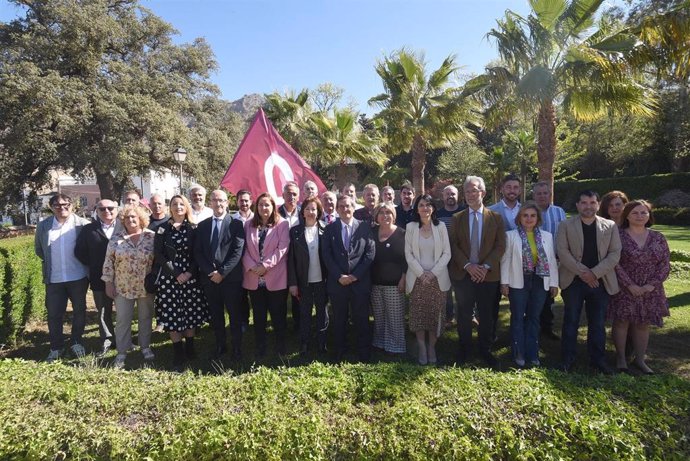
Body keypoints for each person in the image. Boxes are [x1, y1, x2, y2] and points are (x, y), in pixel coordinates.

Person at [557, 190, 621, 374]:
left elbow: (615, 253)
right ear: (577, 205)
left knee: (597, 323)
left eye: (592, 202)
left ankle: (597, 360)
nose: (588, 206)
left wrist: (594, 273)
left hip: (600, 282)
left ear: (598, 205)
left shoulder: (609, 226)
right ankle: (567, 359)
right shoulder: (566, 225)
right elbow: (563, 252)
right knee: (571, 321)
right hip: (574, 282)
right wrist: (585, 273)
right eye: (584, 203)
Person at [448, 176, 506, 367]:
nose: (470, 194)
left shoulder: (496, 218)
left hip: (488, 276)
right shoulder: (457, 218)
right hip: (464, 275)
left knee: (487, 315)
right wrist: (468, 266)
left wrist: (485, 267)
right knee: (464, 314)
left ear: (483, 192)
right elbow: (454, 245)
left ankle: (485, 350)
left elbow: (500, 246)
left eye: (474, 190)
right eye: (467, 191)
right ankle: (464, 349)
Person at [608, 200, 670, 375]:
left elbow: (665, 264)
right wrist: (630, 285)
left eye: (644, 213)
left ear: (649, 215)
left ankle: (640, 359)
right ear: (627, 215)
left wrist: (651, 285)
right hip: (625, 287)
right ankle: (621, 358)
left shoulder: (658, 237)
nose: (640, 216)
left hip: (651, 289)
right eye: (635, 213)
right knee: (621, 321)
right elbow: (614, 263)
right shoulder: (618, 236)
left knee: (643, 323)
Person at [154, 195, 209, 371]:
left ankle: (190, 346)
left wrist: (189, 272)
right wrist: (176, 273)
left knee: (190, 312)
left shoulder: (194, 228)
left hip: (190, 276)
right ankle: (178, 351)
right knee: (172, 314)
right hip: (170, 277)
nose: (178, 207)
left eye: (181, 204)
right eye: (174, 204)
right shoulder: (163, 229)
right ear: (170, 208)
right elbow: (159, 254)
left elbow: (198, 253)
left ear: (186, 207)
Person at [500, 202, 559, 368]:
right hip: (518, 281)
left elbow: (552, 261)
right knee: (518, 317)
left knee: (534, 318)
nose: (529, 219)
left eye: (533, 215)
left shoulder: (547, 236)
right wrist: (504, 282)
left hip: (540, 280)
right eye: (525, 215)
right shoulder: (510, 235)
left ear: (538, 218)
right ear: (520, 218)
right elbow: (505, 260)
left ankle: (532, 353)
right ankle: (518, 351)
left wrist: (554, 282)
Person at [35, 193, 90, 362]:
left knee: (79, 311)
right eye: (57, 205)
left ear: (72, 205)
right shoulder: (44, 226)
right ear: (52, 207)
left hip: (78, 277)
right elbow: (39, 250)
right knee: (54, 314)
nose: (62, 208)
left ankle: (76, 342)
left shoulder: (83, 224)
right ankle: (56, 347)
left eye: (66, 204)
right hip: (54, 279)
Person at [102, 204, 156, 369]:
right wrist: (108, 283)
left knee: (145, 317)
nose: (131, 220)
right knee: (123, 320)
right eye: (127, 218)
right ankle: (122, 351)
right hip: (122, 286)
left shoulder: (151, 237)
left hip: (145, 286)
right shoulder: (116, 239)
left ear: (141, 219)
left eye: (134, 217)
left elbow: (158, 260)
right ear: (122, 221)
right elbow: (108, 263)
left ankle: (145, 346)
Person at [322, 195, 375, 362]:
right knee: (339, 318)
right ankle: (339, 350)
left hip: (359, 282)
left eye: (348, 206)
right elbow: (326, 255)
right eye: (342, 206)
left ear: (354, 208)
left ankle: (363, 352)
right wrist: (339, 276)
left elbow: (370, 253)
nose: (346, 209)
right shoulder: (330, 229)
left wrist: (354, 276)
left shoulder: (364, 228)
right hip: (338, 283)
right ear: (337, 210)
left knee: (361, 319)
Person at [195, 190, 245, 360]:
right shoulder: (202, 226)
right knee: (216, 316)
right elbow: (198, 252)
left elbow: (238, 251)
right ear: (210, 203)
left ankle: (237, 347)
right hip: (210, 280)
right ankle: (220, 345)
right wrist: (211, 272)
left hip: (230, 279)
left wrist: (222, 273)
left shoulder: (236, 224)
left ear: (227, 203)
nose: (218, 204)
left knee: (235, 315)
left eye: (222, 200)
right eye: (215, 200)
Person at [405, 195, 451, 365]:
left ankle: (431, 347)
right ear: (417, 209)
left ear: (433, 208)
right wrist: (421, 273)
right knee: (418, 315)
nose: (425, 208)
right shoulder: (411, 227)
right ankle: (422, 348)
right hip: (417, 279)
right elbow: (408, 254)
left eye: (428, 205)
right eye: (421, 205)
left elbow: (447, 253)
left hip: (437, 279)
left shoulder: (441, 228)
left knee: (434, 316)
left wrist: (432, 273)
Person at [242, 193, 290, 357]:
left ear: (273, 206)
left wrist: (265, 266)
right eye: (261, 205)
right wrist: (253, 267)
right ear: (256, 207)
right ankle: (260, 346)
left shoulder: (282, 224)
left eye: (267, 205)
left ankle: (281, 345)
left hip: (275, 276)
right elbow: (244, 249)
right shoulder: (248, 225)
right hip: (254, 277)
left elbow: (282, 249)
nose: (264, 208)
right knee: (259, 315)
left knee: (278, 314)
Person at [74, 199, 119, 357]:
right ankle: (107, 339)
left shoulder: (124, 226)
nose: (107, 211)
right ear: (97, 211)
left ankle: (123, 339)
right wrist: (94, 264)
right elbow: (79, 251)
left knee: (123, 311)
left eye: (110, 208)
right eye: (102, 209)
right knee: (103, 310)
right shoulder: (89, 229)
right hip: (99, 277)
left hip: (124, 277)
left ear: (116, 209)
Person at [288, 197, 328, 354]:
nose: (311, 212)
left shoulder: (326, 229)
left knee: (322, 313)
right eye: (307, 209)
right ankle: (304, 343)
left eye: (314, 209)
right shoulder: (295, 232)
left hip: (322, 280)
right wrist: (292, 283)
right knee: (304, 313)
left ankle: (321, 343)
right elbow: (290, 260)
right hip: (303, 281)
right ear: (302, 212)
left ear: (318, 212)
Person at [370, 203, 407, 355]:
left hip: (395, 283)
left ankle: (395, 347)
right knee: (379, 317)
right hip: (374, 283)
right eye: (381, 212)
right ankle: (379, 344)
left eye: (388, 212)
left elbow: (407, 259)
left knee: (395, 318)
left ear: (394, 215)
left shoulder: (402, 234)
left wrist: (404, 278)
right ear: (376, 216)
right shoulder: (371, 232)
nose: (385, 215)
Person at [532, 181, 567, 341]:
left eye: (545, 193)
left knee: (549, 295)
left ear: (550, 194)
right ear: (534, 195)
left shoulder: (559, 212)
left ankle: (547, 327)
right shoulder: (528, 212)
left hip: (553, 261)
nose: (542, 196)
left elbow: (564, 235)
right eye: (538, 193)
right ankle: (533, 326)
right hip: (531, 261)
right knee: (533, 295)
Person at [436, 184, 465, 326]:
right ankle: (449, 316)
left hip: (461, 256)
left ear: (458, 195)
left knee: (462, 287)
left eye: (453, 194)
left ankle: (467, 315)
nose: (450, 196)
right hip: (443, 257)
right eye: (447, 194)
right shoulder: (438, 214)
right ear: (443, 196)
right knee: (446, 288)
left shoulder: (464, 212)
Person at [278, 181, 302, 331]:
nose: (291, 196)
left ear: (298, 196)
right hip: (279, 260)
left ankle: (298, 325)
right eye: (289, 193)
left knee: (297, 295)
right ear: (283, 195)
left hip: (298, 260)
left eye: (294, 194)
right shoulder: (275, 213)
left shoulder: (303, 212)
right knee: (280, 296)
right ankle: (280, 327)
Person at [230, 189, 253, 332]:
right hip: (238, 262)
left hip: (254, 261)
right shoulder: (232, 220)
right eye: (241, 200)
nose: (244, 203)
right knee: (240, 294)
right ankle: (244, 320)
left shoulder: (257, 218)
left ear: (251, 202)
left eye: (246, 200)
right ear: (237, 201)